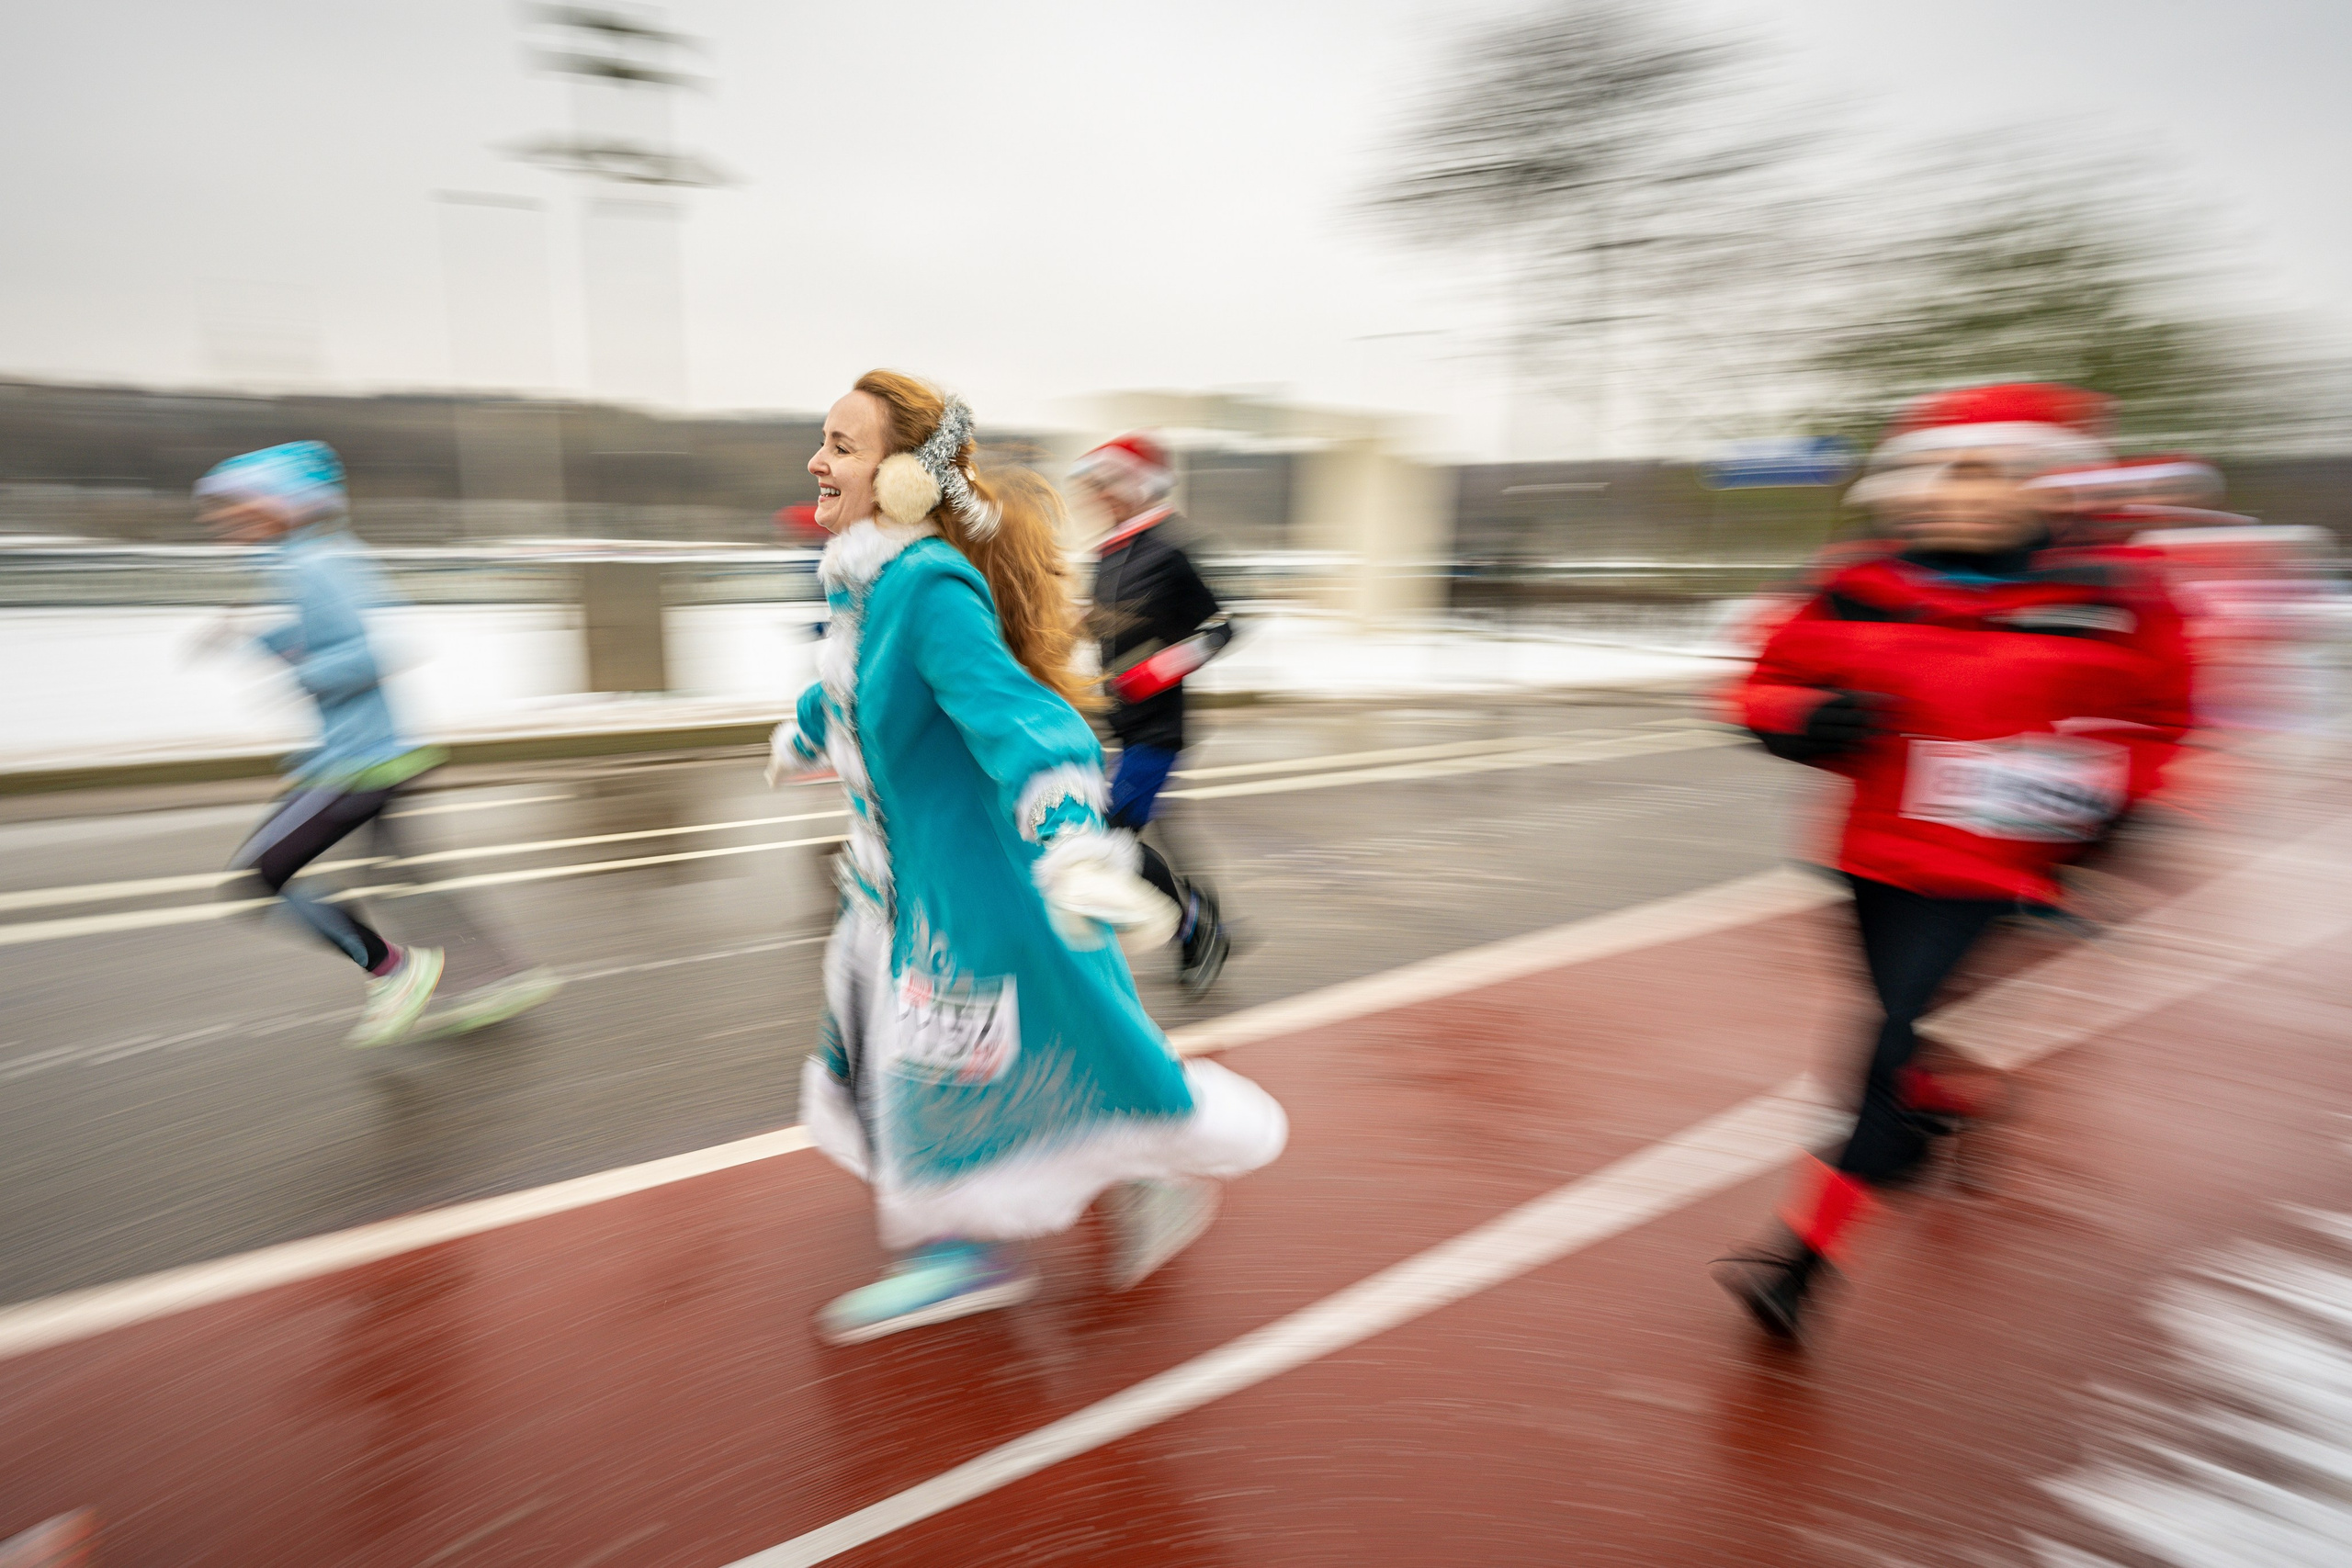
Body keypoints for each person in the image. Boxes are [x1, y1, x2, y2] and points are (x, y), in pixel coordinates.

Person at [766, 372, 1286, 1345]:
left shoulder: (925, 584)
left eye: (841, 443)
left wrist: (1068, 835)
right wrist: (805, 731)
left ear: (908, 479)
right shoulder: (867, 583)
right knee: (952, 1053)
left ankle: (967, 1251)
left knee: (944, 1068)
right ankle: (1105, 1182)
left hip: (960, 891)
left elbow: (1027, 720)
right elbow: (855, 684)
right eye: (822, 439)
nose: (817, 460)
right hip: (894, 888)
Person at [1715, 383, 2194, 1339]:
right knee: (1891, 1032)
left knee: (1883, 1047)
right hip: (1871, 852)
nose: (1962, 498)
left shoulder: (2111, 596)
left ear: (2045, 488)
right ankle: (1957, 1097)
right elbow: (1760, 683)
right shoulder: (1858, 581)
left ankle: (1801, 1264)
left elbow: (2167, 718)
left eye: (1990, 478)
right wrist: (1807, 720)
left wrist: (2124, 798)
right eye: (1944, 477)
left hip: (1998, 862)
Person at [196, 442, 560, 1048]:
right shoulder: (312, 556)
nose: (222, 519)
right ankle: (502, 976)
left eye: (235, 505)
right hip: (383, 752)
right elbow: (334, 640)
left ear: (280, 504)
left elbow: (372, 650)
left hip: (357, 763)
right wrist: (266, 641)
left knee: (263, 875)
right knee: (404, 878)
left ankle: (393, 969)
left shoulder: (310, 564)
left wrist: (296, 665)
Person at [1071, 432, 1237, 991]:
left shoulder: (1171, 549)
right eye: (1096, 488)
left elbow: (1221, 629)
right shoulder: (1107, 553)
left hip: (1159, 729)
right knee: (1135, 835)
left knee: (1111, 838)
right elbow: (1099, 627)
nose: (1100, 498)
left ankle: (1194, 927)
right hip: (1117, 724)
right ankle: (1197, 914)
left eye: (1108, 486)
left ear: (1136, 486)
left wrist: (1157, 670)